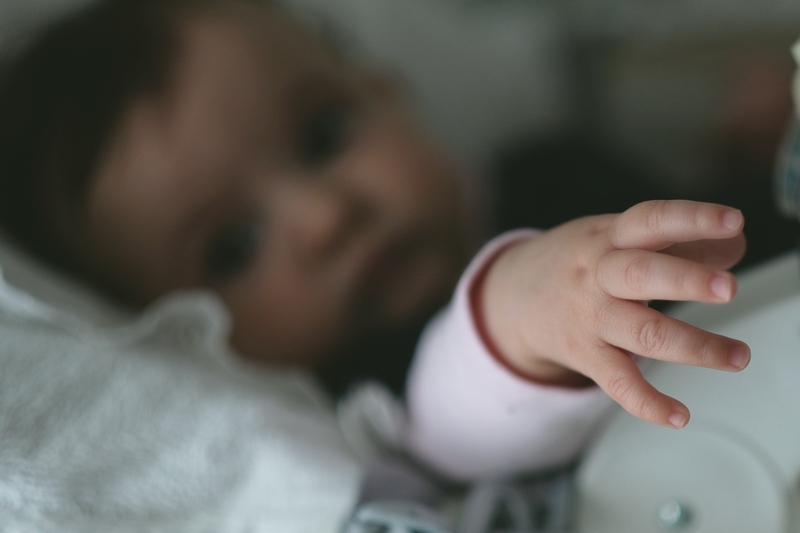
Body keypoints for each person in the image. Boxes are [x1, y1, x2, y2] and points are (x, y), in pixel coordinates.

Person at [0, 0, 750, 530]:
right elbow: (453, 429)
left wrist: (744, 160)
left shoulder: (553, 171)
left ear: (390, 93)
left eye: (324, 135)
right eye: (232, 248)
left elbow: (728, 262)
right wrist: (514, 310)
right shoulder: (354, 403)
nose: (328, 217)